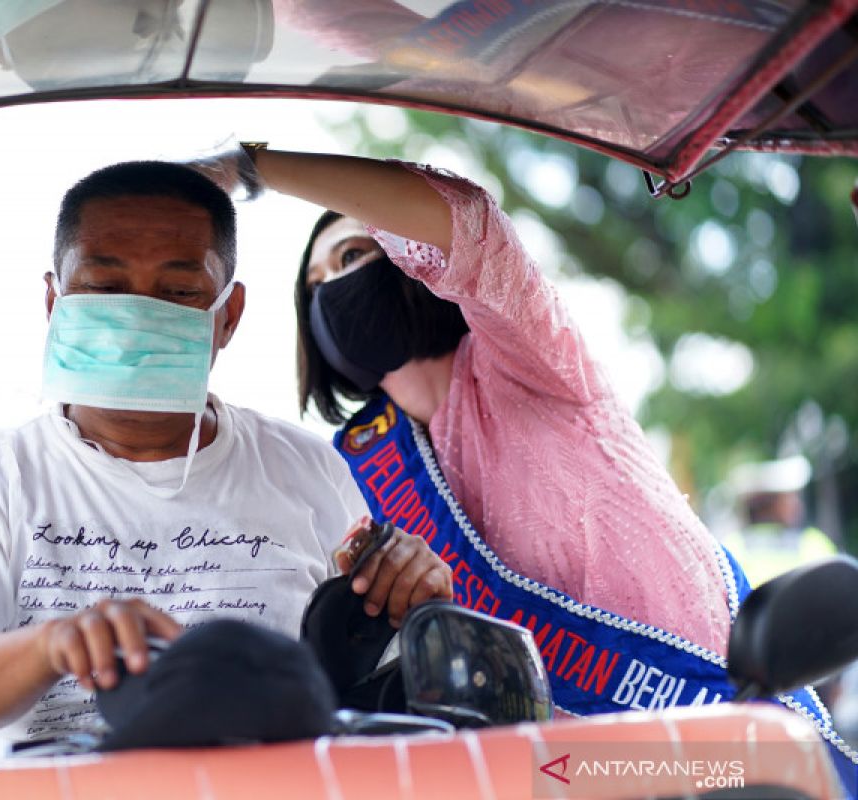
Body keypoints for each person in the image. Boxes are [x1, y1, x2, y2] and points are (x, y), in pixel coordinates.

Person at [212, 148, 856, 776]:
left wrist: (252, 165)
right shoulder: (357, 469)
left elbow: (466, 222)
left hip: (724, 748)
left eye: (353, 256)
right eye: (315, 286)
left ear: (410, 261)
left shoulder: (532, 358)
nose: (332, 291)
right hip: (555, 775)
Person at [0, 160, 452, 749]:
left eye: (178, 292)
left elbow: (367, 688)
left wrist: (416, 605)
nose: (137, 316)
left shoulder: (308, 470)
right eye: (103, 287)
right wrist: (54, 644)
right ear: (54, 303)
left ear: (227, 316)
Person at [722, 455, 837, 588]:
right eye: (789, 498)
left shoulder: (733, 545)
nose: (797, 504)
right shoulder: (813, 543)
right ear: (769, 504)